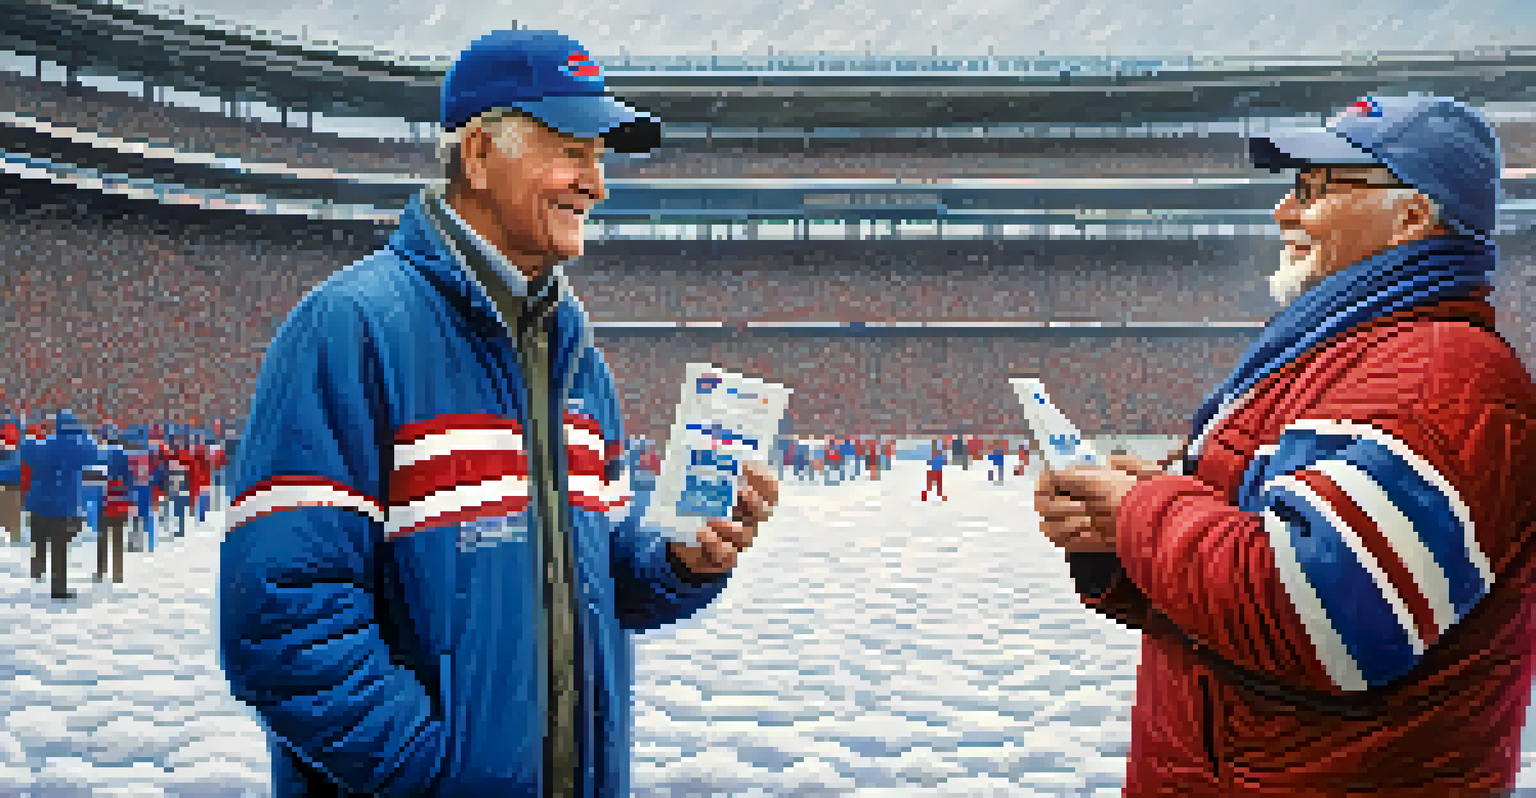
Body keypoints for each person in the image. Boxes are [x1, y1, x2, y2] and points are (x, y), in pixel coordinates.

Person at [219, 30, 778, 798]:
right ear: (478, 155)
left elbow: (603, 573)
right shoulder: (350, 327)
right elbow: (283, 623)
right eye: (572, 151)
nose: (597, 184)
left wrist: (681, 559)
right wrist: (437, 774)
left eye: (602, 157)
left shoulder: (579, 359)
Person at [1036, 96, 1536, 796]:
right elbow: (1227, 613)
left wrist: (1143, 509)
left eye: (1314, 189)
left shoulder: (1439, 377)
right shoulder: (1339, 355)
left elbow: (1318, 619)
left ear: (1414, 217)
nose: (1283, 212)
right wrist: (1114, 545)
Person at [23, 410, 102, 600]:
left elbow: (26, 453)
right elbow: (95, 454)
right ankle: (58, 589)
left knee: (38, 542)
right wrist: (82, 433)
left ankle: (36, 576)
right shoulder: (77, 446)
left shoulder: (42, 445)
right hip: (63, 506)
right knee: (60, 549)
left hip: (38, 504)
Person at [95, 438, 131, 584]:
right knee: (118, 539)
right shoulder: (124, 456)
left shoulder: (100, 456)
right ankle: (118, 573)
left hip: (103, 503)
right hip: (120, 503)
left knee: (102, 538)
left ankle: (101, 571)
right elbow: (130, 482)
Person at [0, 415, 22, 544]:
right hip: (13, 486)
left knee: (13, 527)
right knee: (13, 528)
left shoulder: (14, 449)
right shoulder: (16, 449)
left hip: (12, 486)